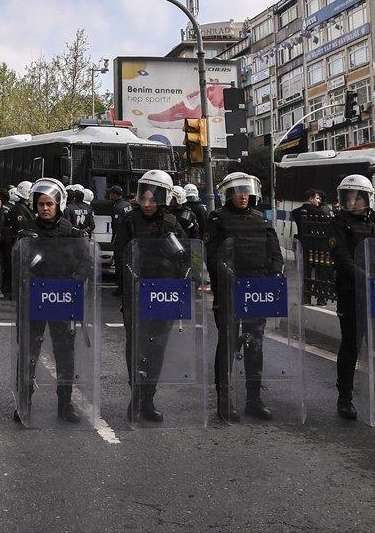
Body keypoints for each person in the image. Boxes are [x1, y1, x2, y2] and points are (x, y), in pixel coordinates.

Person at [204, 172, 283, 421]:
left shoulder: (261, 220)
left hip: (257, 290)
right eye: (238, 191)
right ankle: (224, 400)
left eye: (246, 191)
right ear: (228, 194)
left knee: (254, 343)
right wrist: (228, 278)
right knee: (227, 343)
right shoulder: (217, 219)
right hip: (230, 290)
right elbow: (213, 255)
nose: (243, 195)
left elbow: (275, 252)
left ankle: (254, 398)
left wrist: (274, 274)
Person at [327, 174, 375, 421]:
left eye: (357, 196)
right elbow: (341, 258)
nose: (352, 201)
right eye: (347, 196)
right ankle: (345, 398)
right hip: (353, 294)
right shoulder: (339, 223)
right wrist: (366, 279)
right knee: (351, 345)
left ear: (367, 198)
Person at [113, 169, 188, 423]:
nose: (146, 204)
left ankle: (148, 399)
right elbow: (120, 256)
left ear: (163, 198)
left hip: (164, 295)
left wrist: (187, 278)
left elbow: (189, 256)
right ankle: (136, 397)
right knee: (137, 347)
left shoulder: (172, 223)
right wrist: (132, 284)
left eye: (152, 199)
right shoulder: (129, 221)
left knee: (157, 349)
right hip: (137, 295)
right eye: (143, 198)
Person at [15, 178, 89, 424]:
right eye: (40, 204)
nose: (44, 208)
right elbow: (17, 263)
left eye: (49, 204)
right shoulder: (27, 233)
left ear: (59, 204)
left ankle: (65, 405)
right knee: (28, 353)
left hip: (63, 301)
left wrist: (74, 282)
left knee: (65, 354)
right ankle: (23, 404)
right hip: (34, 299)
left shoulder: (73, 234)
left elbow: (85, 264)